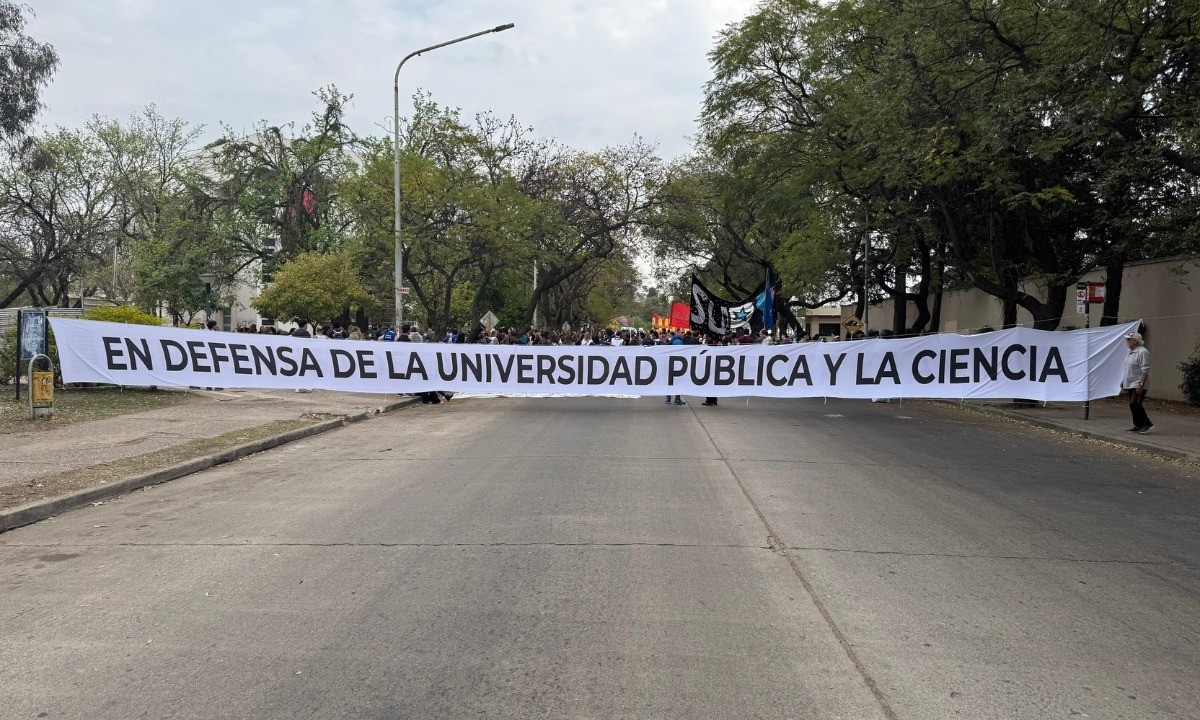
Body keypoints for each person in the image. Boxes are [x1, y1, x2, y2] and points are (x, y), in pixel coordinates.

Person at [1122, 331, 1153, 434]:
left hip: (1138, 383)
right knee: (1132, 404)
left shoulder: (1142, 352)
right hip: (1131, 383)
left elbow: (1145, 369)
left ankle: (1147, 424)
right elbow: (1129, 368)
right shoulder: (1132, 352)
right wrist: (1123, 381)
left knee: (1135, 403)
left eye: (1128, 339)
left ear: (1135, 341)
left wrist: (1141, 384)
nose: (1126, 341)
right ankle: (1137, 425)